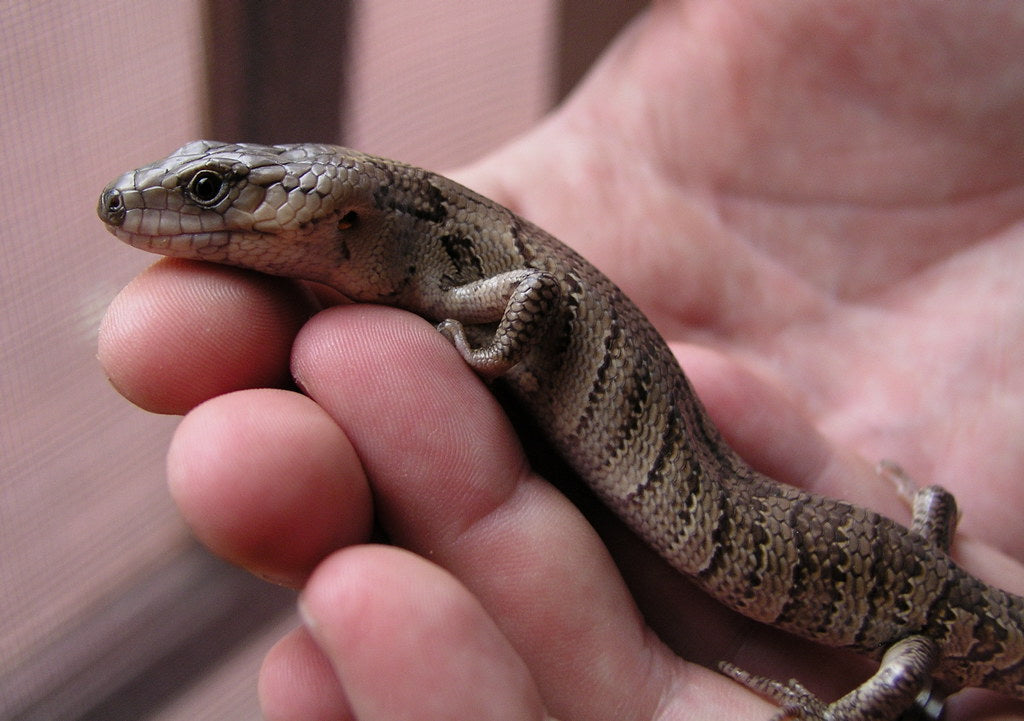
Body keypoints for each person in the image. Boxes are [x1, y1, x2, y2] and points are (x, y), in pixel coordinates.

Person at [99, 2, 1024, 719]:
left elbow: (538, 295)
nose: (166, 210)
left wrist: (493, 362)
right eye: (200, 189)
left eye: (213, 193)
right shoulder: (392, 234)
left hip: (729, 516)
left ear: (323, 207)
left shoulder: (418, 246)